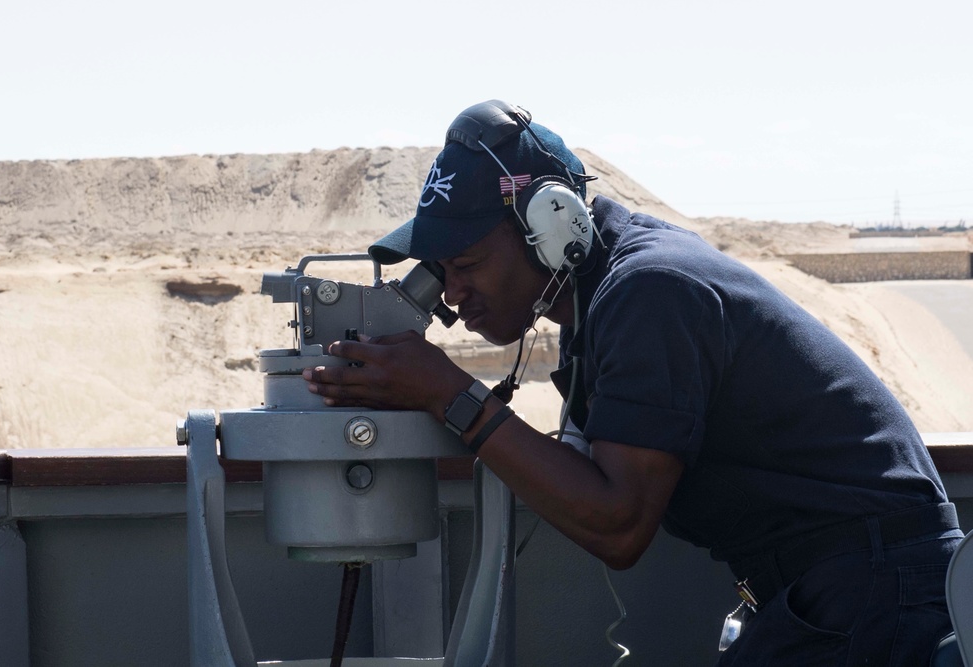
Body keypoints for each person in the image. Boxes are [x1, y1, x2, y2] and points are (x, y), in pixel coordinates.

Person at [303, 99, 962, 665]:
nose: (451, 292)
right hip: (838, 588)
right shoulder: (609, 299)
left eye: (467, 262)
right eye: (440, 269)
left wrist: (451, 396)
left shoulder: (648, 293)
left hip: (875, 595)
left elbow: (619, 523)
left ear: (549, 227)